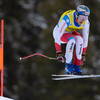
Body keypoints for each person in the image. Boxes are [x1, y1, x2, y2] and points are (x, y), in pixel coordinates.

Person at [53, 5, 90, 75]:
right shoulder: (67, 18)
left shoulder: (86, 22)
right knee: (72, 40)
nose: (83, 20)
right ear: (77, 15)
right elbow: (58, 36)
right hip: (59, 34)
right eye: (82, 17)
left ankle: (77, 66)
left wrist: (83, 54)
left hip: (69, 33)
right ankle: (68, 66)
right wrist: (58, 52)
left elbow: (86, 38)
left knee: (80, 40)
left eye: (86, 17)